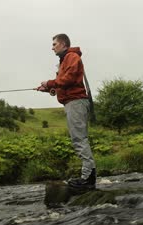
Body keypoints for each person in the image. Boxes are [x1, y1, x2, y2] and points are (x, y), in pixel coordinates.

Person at [37, 33, 96, 189]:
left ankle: (88, 178)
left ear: (63, 44)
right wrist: (48, 88)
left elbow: (68, 79)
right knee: (78, 138)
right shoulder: (66, 59)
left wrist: (49, 82)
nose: (52, 47)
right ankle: (87, 176)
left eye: (54, 44)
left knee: (79, 139)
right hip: (72, 102)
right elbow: (64, 84)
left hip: (76, 102)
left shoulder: (71, 56)